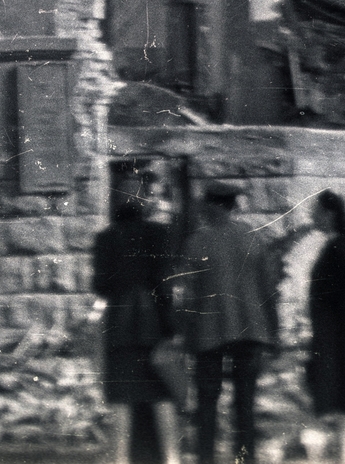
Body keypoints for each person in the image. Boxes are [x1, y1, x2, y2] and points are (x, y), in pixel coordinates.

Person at [180, 181, 278, 464]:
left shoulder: (196, 242)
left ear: (211, 206)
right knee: (245, 404)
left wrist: (185, 333)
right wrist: (273, 331)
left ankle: (206, 459)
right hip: (250, 330)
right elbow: (268, 288)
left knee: (207, 403)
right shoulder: (253, 238)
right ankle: (244, 460)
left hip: (209, 333)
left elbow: (187, 294)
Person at [93, 179, 181, 464]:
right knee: (161, 392)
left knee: (121, 396)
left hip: (119, 325)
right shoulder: (158, 234)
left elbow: (100, 285)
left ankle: (120, 458)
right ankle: (171, 457)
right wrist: (171, 327)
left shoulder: (105, 238)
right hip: (152, 324)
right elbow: (163, 283)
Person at [304, 192, 345, 464]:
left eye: (315, 211)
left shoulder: (338, 248)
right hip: (334, 336)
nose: (311, 216)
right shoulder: (336, 245)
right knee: (340, 408)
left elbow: (335, 296)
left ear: (329, 215)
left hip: (335, 338)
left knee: (338, 408)